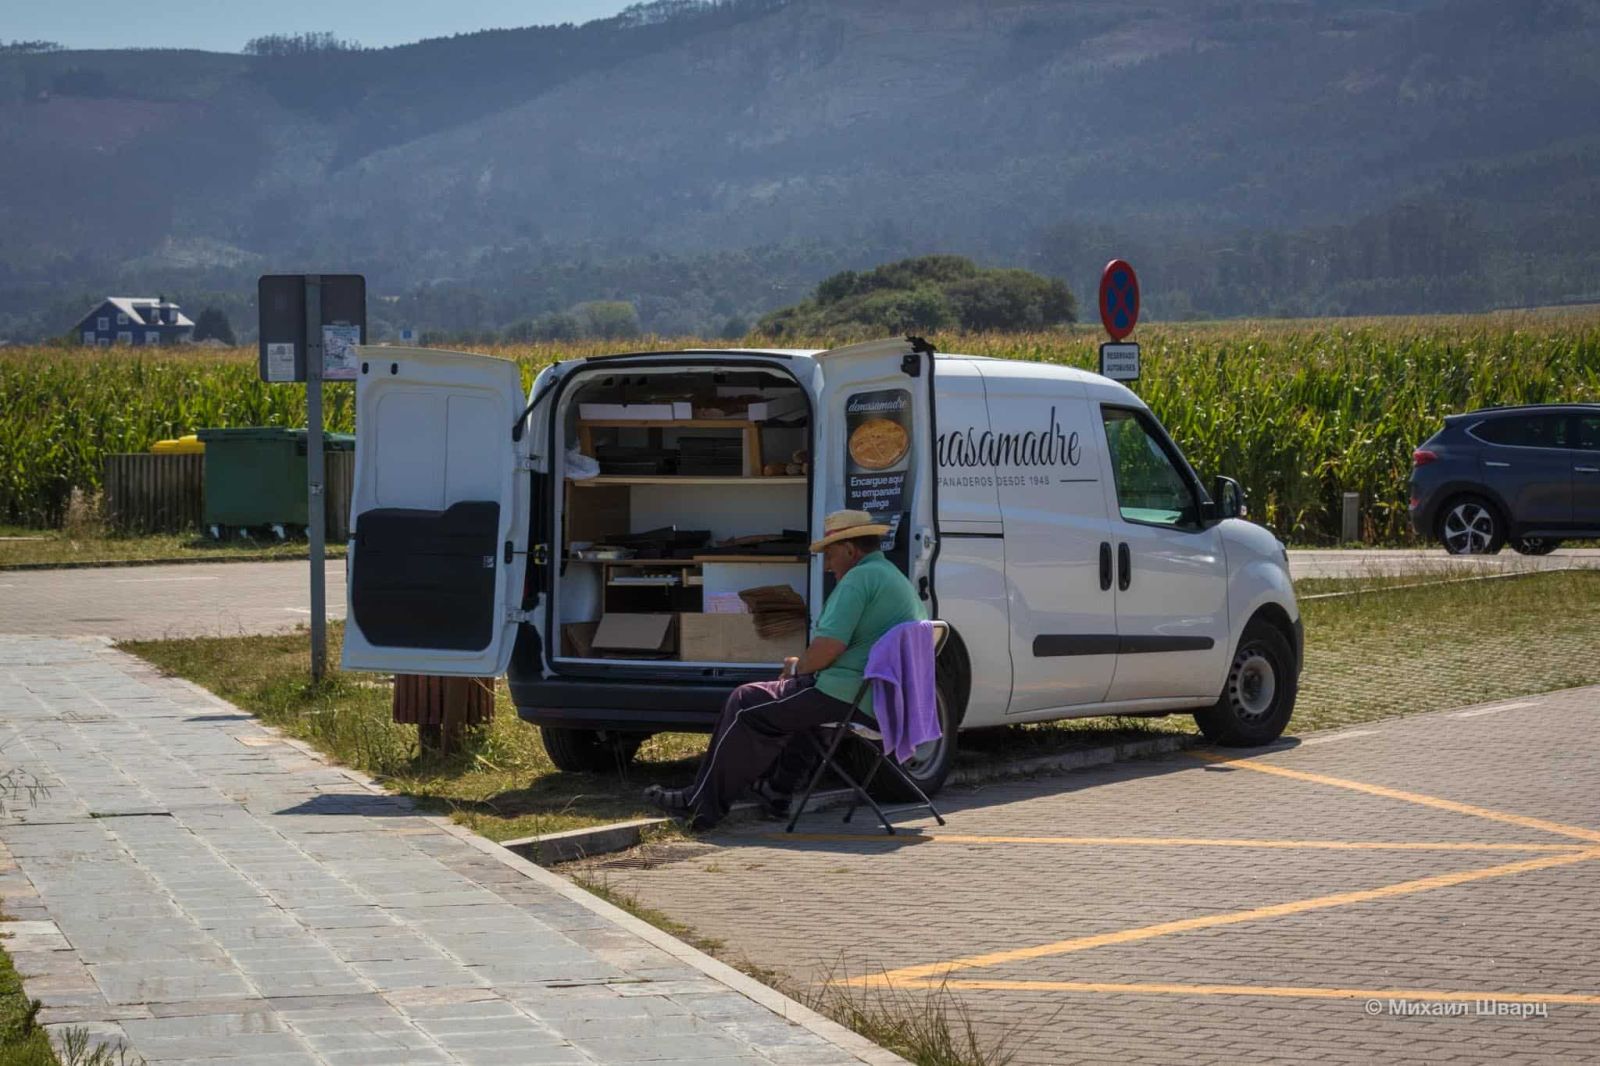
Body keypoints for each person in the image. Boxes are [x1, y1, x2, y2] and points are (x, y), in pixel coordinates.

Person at [643, 509, 927, 830]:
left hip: (846, 694)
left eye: (831, 555)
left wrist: (797, 667)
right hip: (880, 700)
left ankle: (701, 804)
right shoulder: (894, 577)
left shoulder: (859, 579)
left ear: (850, 550)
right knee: (796, 709)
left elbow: (828, 648)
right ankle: (777, 791)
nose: (829, 565)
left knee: (745, 701)